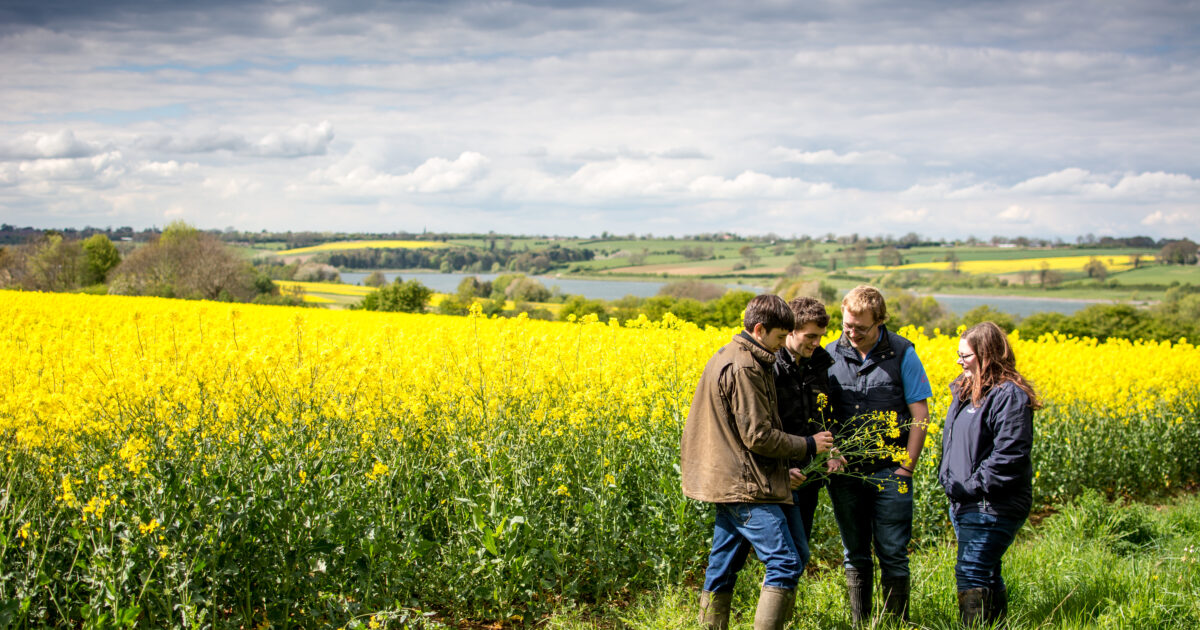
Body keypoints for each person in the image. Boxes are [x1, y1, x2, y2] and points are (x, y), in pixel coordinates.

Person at [681, 294, 835, 630]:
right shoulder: (746, 366)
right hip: (743, 481)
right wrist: (809, 445)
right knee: (785, 562)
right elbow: (758, 436)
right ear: (760, 328)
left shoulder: (734, 354)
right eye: (781, 337)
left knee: (723, 562)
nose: (782, 346)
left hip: (732, 476)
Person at [825, 285, 932, 624]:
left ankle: (895, 624)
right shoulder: (829, 355)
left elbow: (920, 414)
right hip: (846, 475)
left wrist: (907, 468)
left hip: (892, 472)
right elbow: (821, 413)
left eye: (861, 327)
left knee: (893, 554)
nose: (852, 333)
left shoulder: (903, 353)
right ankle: (862, 624)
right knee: (854, 555)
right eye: (847, 325)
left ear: (880, 321)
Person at [938, 321, 1040, 627]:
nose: (959, 361)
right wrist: (949, 480)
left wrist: (970, 485)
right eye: (958, 354)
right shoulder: (966, 389)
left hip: (992, 503)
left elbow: (1010, 455)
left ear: (987, 355)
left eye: (965, 355)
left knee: (971, 570)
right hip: (966, 501)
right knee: (987, 571)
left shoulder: (1009, 396)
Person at [771, 297, 843, 568]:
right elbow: (765, 426)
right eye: (810, 336)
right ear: (790, 330)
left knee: (796, 556)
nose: (816, 343)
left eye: (821, 337)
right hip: (779, 475)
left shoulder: (819, 363)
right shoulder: (771, 365)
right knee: (788, 557)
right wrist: (781, 469)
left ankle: (784, 609)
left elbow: (824, 414)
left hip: (810, 473)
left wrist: (832, 448)